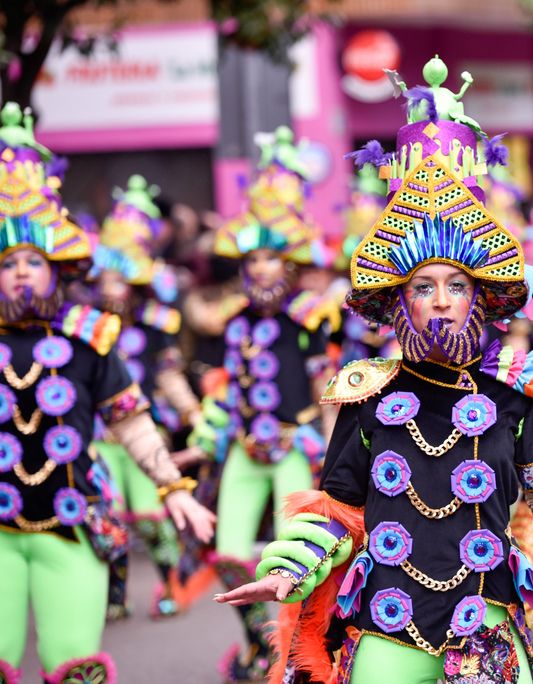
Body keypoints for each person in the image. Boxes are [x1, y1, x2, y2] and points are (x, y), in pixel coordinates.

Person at [214, 57, 533, 684]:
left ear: (480, 296)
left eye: (456, 284)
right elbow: (338, 508)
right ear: (401, 300)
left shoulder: (515, 390)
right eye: (424, 286)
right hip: (387, 622)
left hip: (487, 625)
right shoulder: (367, 393)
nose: (442, 298)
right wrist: (290, 573)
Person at [0, 102, 215, 684]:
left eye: (33, 259)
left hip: (71, 531)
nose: (21, 271)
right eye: (9, 261)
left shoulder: (90, 339)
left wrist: (173, 487)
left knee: (73, 669)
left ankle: (159, 583)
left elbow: (131, 422)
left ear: (57, 267)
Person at [188, 126, 340, 682]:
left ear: (290, 264)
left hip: (293, 448)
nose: (259, 268)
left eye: (272, 259)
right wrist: (207, 442)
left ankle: (295, 653)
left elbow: (328, 388)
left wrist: (334, 450)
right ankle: (261, 643)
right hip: (245, 451)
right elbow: (230, 390)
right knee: (230, 556)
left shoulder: (310, 318)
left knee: (295, 559)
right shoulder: (236, 322)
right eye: (252, 259)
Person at [86, 176, 208, 621]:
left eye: (120, 277)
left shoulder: (155, 320)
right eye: (106, 276)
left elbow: (169, 375)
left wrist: (193, 413)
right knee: (106, 516)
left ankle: (171, 584)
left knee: (154, 515)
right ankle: (115, 595)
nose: (110, 286)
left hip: (142, 430)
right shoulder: (82, 324)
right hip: (96, 437)